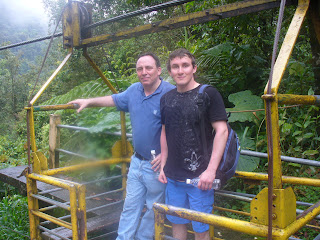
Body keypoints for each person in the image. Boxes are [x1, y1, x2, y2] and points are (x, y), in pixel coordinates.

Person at [68, 52, 175, 240]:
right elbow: (113, 99)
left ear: (158, 70)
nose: (144, 72)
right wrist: (88, 101)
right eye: (139, 69)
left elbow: (181, 127)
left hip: (157, 165)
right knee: (130, 206)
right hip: (137, 161)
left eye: (148, 68)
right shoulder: (134, 90)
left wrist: (168, 155)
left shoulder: (170, 93)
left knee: (154, 210)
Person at [158, 48, 228, 240]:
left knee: (201, 229)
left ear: (194, 68)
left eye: (185, 65)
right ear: (170, 71)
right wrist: (163, 165)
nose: (180, 71)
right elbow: (165, 131)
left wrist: (211, 170)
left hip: (200, 179)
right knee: (177, 224)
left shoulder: (208, 94)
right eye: (175, 67)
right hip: (173, 178)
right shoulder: (166, 99)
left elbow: (222, 131)